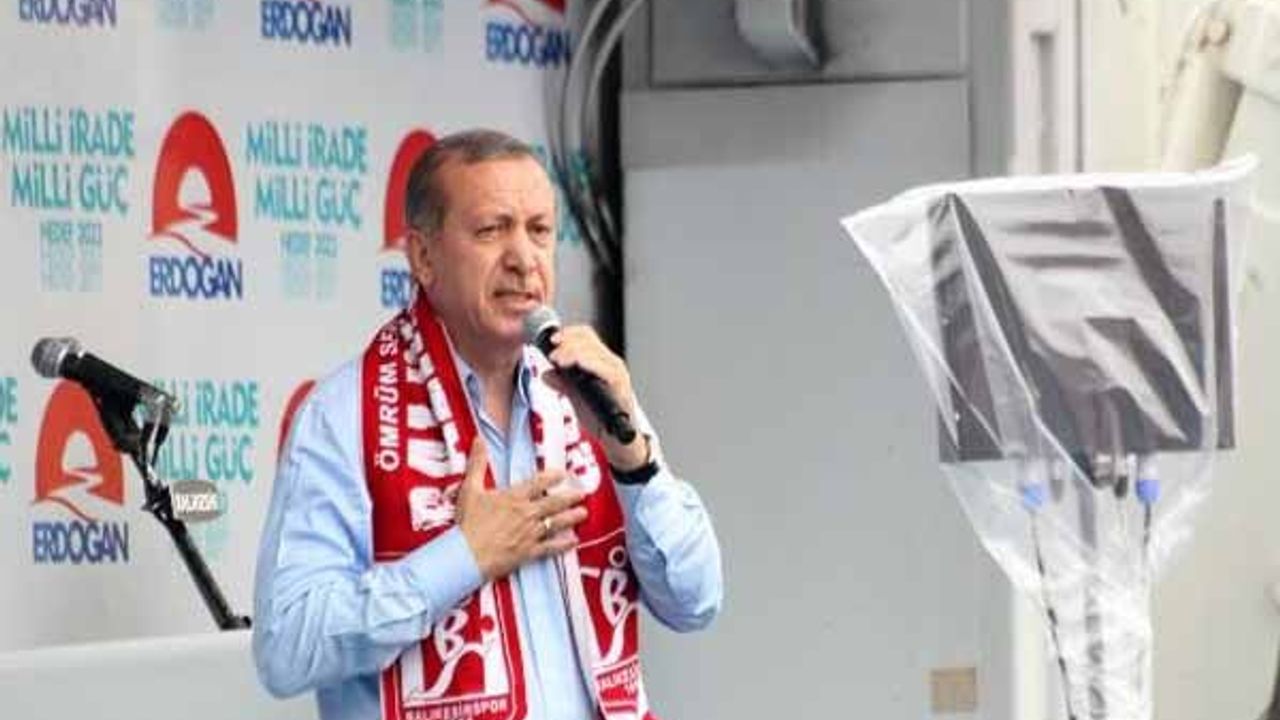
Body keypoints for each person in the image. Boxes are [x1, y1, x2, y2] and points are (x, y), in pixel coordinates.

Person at [252, 129, 723, 720]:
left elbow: (695, 601)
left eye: (539, 230)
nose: (524, 258)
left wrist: (635, 464)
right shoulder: (344, 416)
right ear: (424, 257)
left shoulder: (587, 391)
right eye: (491, 230)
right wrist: (463, 557)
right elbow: (286, 647)